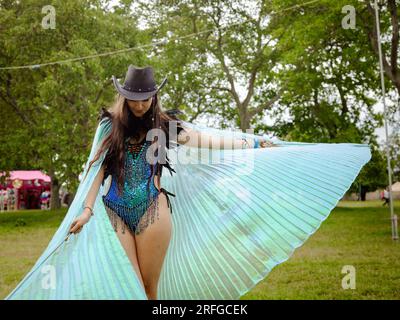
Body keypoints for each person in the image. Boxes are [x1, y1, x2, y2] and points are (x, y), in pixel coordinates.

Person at [6, 65, 372, 300]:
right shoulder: (108, 126)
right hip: (114, 211)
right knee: (129, 287)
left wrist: (258, 142)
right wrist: (86, 210)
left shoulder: (165, 126)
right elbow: (96, 169)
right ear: (125, 96)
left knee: (149, 289)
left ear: (154, 95)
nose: (139, 104)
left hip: (153, 210)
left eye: (145, 97)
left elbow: (211, 141)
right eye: (133, 98)